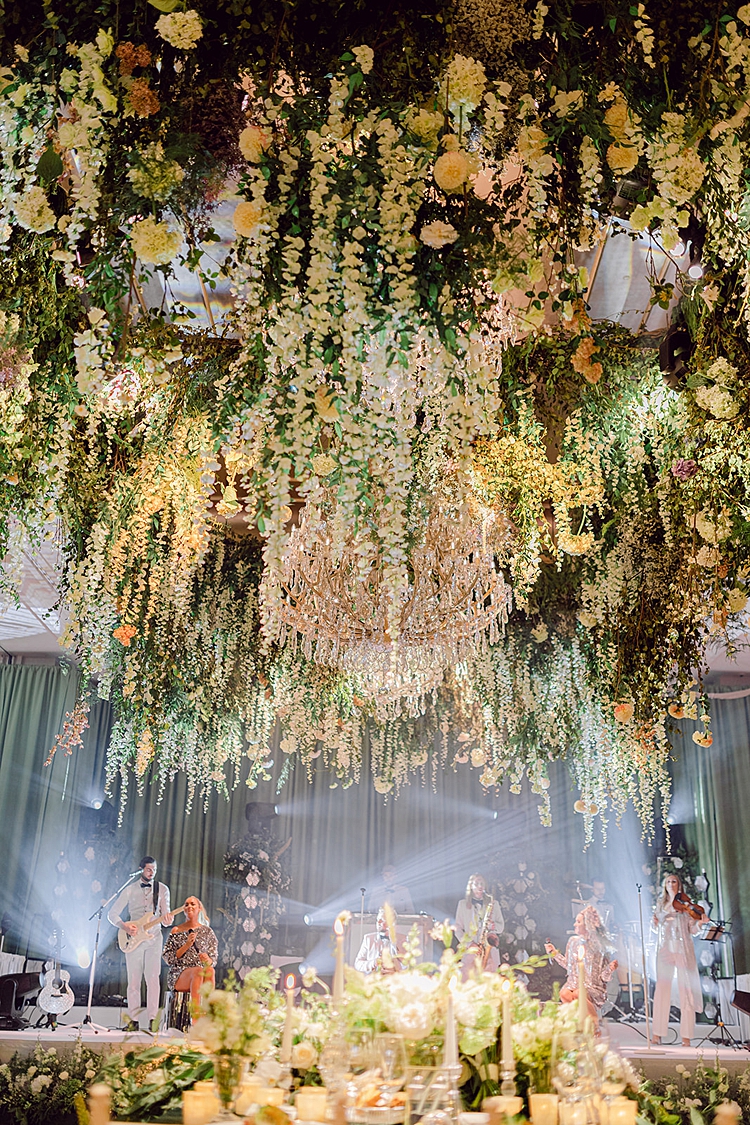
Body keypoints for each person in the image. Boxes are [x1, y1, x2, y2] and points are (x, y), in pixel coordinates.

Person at [108, 855, 173, 1032]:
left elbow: (166, 917)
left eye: (154, 870)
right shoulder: (129, 890)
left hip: (154, 938)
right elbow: (112, 914)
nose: (152, 873)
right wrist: (125, 927)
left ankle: (153, 1019)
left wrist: (168, 919)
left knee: (153, 978)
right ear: (141, 869)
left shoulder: (163, 889)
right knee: (134, 981)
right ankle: (133, 1021)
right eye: (149, 869)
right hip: (134, 938)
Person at [651, 873, 705, 1046]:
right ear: (664, 886)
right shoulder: (660, 905)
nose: (671, 884)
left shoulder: (685, 906)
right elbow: (655, 930)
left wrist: (701, 924)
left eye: (674, 881)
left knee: (686, 990)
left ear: (679, 884)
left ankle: (686, 1037)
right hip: (665, 950)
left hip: (683, 950)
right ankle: (657, 1034)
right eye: (668, 881)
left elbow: (692, 929)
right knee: (662, 990)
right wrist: (656, 923)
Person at [545, 906, 618, 1028]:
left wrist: (610, 969)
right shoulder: (573, 941)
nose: (575, 924)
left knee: (579, 993)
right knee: (564, 993)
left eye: (578, 922)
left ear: (587, 925)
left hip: (592, 986)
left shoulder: (599, 946)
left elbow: (603, 977)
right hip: (573, 983)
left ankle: (595, 1026)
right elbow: (568, 966)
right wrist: (555, 954)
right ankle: (580, 1024)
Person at [162, 896, 218, 1009]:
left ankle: (209, 1014)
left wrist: (208, 959)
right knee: (197, 971)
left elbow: (213, 957)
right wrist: (187, 945)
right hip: (179, 974)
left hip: (201, 971)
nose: (189, 907)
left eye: (192, 904)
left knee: (210, 970)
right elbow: (168, 958)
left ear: (199, 908)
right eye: (186, 904)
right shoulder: (176, 930)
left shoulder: (207, 931)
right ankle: (196, 1017)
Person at [455, 873, 504, 974]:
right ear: (471, 886)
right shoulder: (462, 904)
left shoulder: (494, 904)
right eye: (476, 883)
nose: (480, 886)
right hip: (470, 951)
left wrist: (494, 925)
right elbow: (458, 929)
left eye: (482, 883)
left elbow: (501, 927)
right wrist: (469, 944)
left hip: (490, 953)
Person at [354, 907, 401, 974]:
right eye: (377, 920)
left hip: (393, 981)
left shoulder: (401, 940)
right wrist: (373, 963)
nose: (378, 922)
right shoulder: (368, 939)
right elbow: (357, 964)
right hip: (372, 980)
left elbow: (406, 965)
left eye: (382, 920)